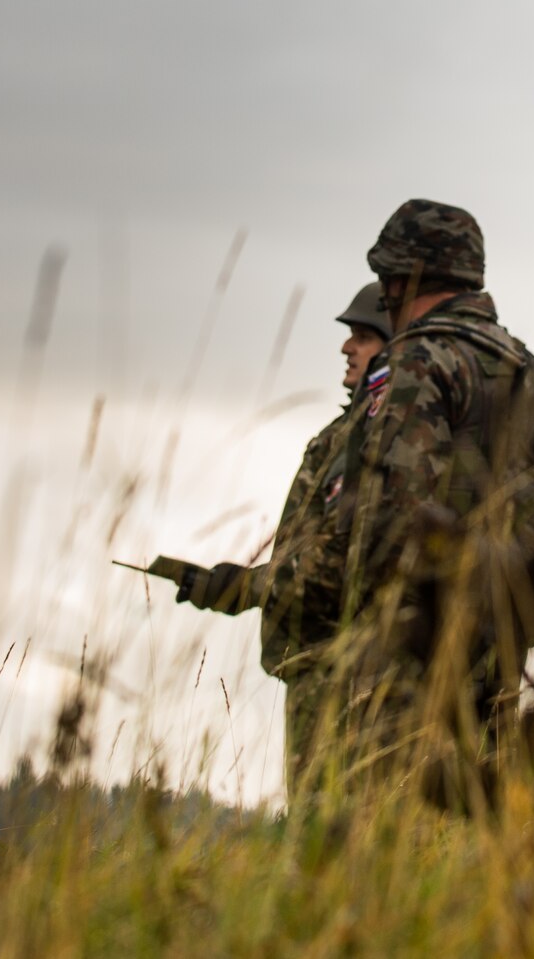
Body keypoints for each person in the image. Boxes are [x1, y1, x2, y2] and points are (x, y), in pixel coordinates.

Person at [324, 198, 534, 812]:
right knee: (480, 822)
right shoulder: (518, 360)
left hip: (416, 645)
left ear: (404, 279)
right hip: (500, 636)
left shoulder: (418, 358)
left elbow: (394, 511)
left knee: (388, 828)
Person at [170, 283, 393, 788]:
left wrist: (238, 587)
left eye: (362, 336)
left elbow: (341, 561)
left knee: (334, 837)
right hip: (321, 673)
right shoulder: (346, 433)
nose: (346, 347)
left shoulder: (382, 435)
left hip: (350, 678)